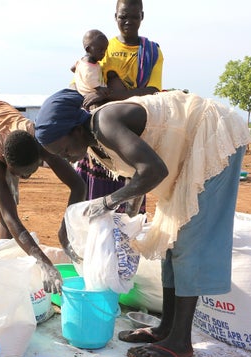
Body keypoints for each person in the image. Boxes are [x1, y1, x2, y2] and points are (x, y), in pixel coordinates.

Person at [35, 88, 251, 357]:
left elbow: (154, 171)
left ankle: (180, 343)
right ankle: (166, 329)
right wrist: (128, 215)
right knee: (170, 242)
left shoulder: (104, 124)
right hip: (187, 152)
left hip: (212, 137)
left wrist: (108, 202)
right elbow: (138, 170)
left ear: (76, 129)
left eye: (65, 149)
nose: (67, 158)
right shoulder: (94, 141)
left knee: (190, 239)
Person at [0, 99, 86, 293]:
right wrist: (44, 263)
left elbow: (78, 186)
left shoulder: (43, 144)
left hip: (2, 116)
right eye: (19, 173)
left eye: (30, 172)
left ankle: (4, 260)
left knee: (9, 201)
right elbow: (11, 218)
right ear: (6, 163)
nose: (25, 177)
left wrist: (64, 232)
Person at [75, 0, 162, 212]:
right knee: (94, 205)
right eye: (123, 16)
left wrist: (114, 95)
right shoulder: (104, 47)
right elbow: (85, 79)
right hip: (99, 138)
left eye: (134, 16)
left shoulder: (152, 52)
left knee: (128, 204)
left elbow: (152, 91)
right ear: (115, 17)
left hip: (131, 133)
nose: (128, 21)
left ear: (142, 16)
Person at [72, 29, 110, 97]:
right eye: (100, 50)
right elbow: (90, 79)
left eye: (105, 50)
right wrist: (99, 88)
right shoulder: (88, 66)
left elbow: (73, 68)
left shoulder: (81, 61)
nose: (103, 53)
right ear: (88, 49)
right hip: (89, 93)